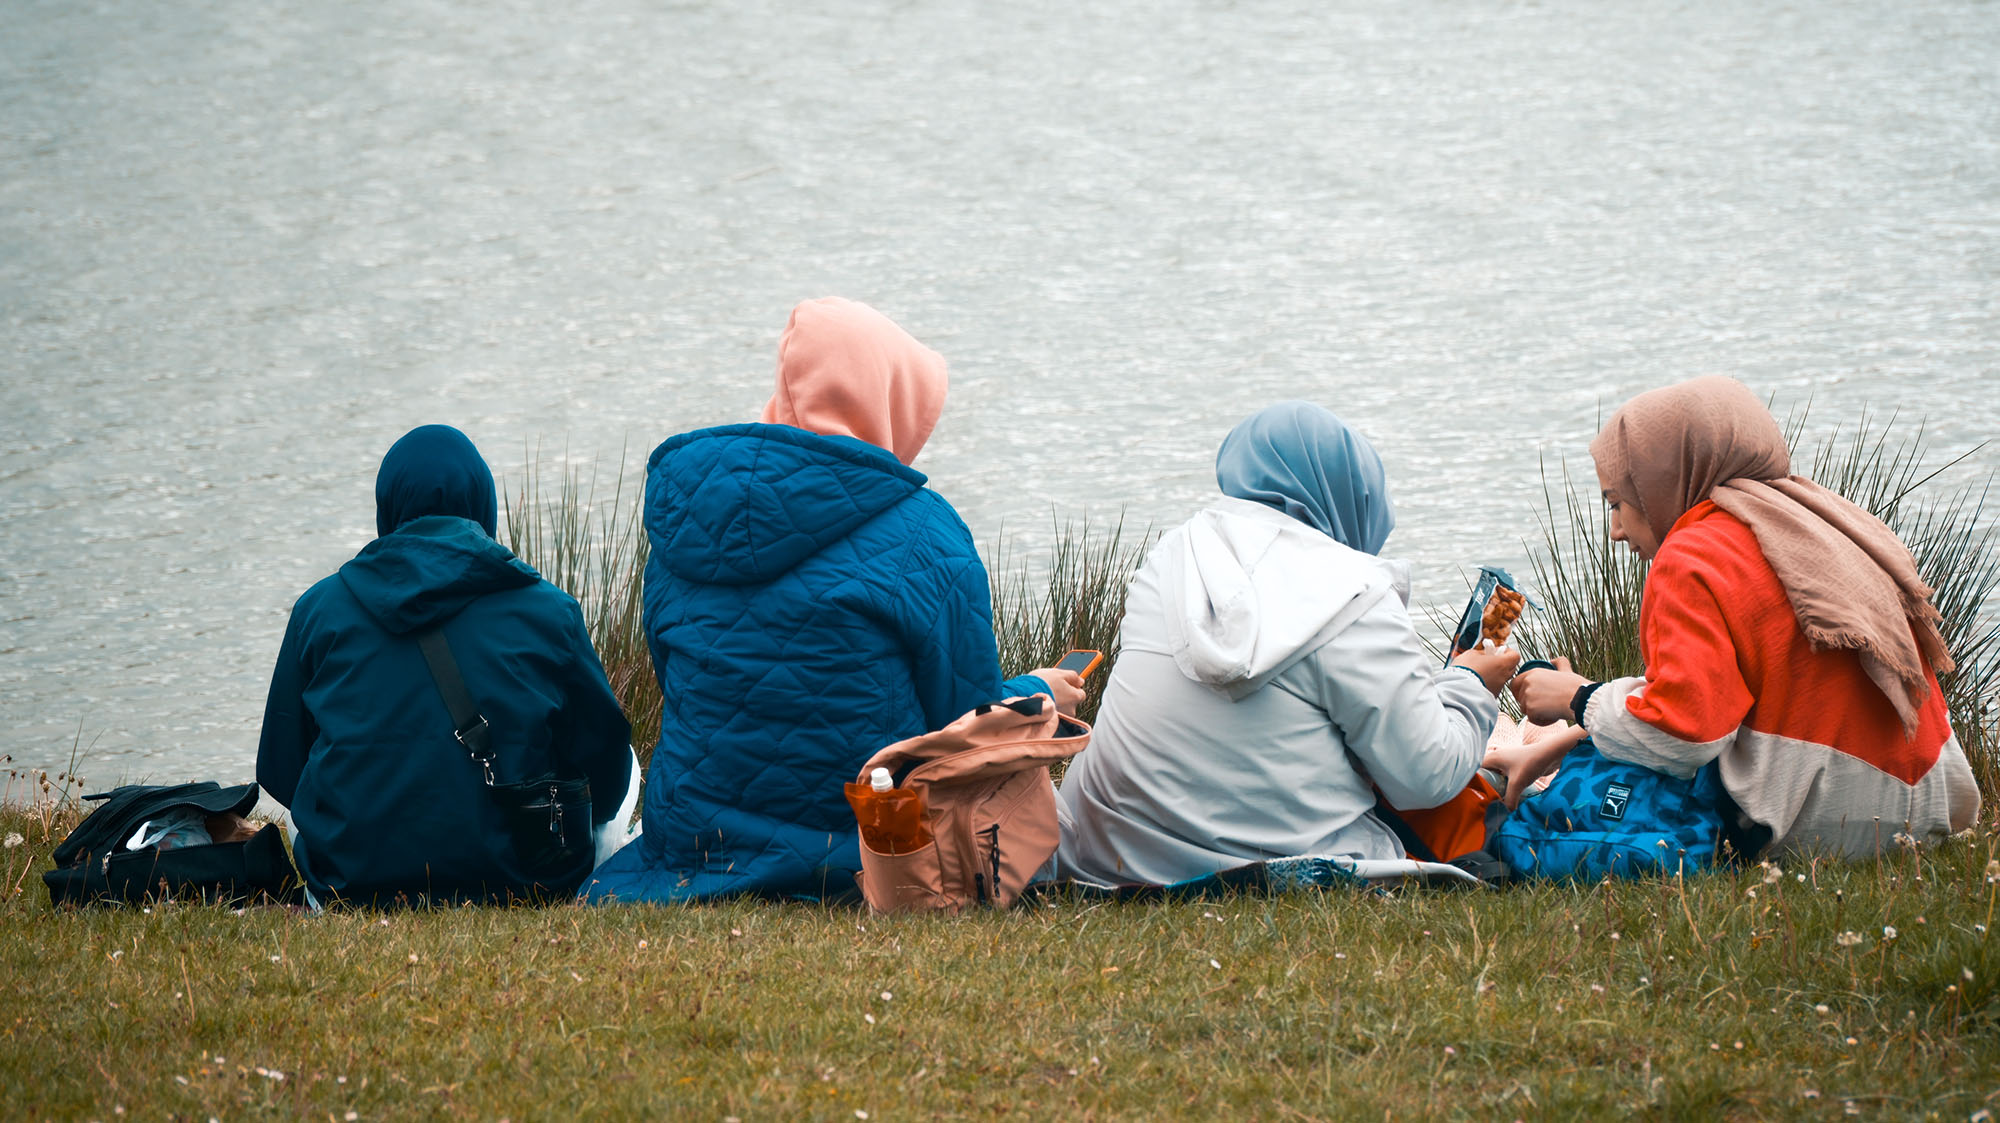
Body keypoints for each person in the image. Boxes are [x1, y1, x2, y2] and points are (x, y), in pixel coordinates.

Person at [583, 297, 1083, 903]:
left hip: (694, 846)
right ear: (889, 400)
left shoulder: (685, 530)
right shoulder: (925, 532)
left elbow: (679, 682)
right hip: (865, 848)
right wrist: (1037, 695)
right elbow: (965, 725)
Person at [1509, 376, 1980, 858]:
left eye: (1618, 504)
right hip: (1929, 808)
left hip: (1824, 826)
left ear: (1661, 484)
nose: (1615, 530)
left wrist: (1580, 700)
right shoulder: (1821, 519)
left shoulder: (1691, 554)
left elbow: (1683, 737)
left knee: (1585, 791)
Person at [1054, 401, 1518, 886]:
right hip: (1281, 860)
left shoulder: (1171, 556)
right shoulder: (1354, 590)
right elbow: (1427, 776)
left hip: (1107, 858)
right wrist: (1469, 684)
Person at [257, 425, 637, 905]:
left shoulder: (319, 610)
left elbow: (280, 770)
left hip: (352, 884)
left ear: (387, 505)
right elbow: (607, 775)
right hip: (523, 879)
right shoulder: (548, 610)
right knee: (628, 762)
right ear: (483, 504)